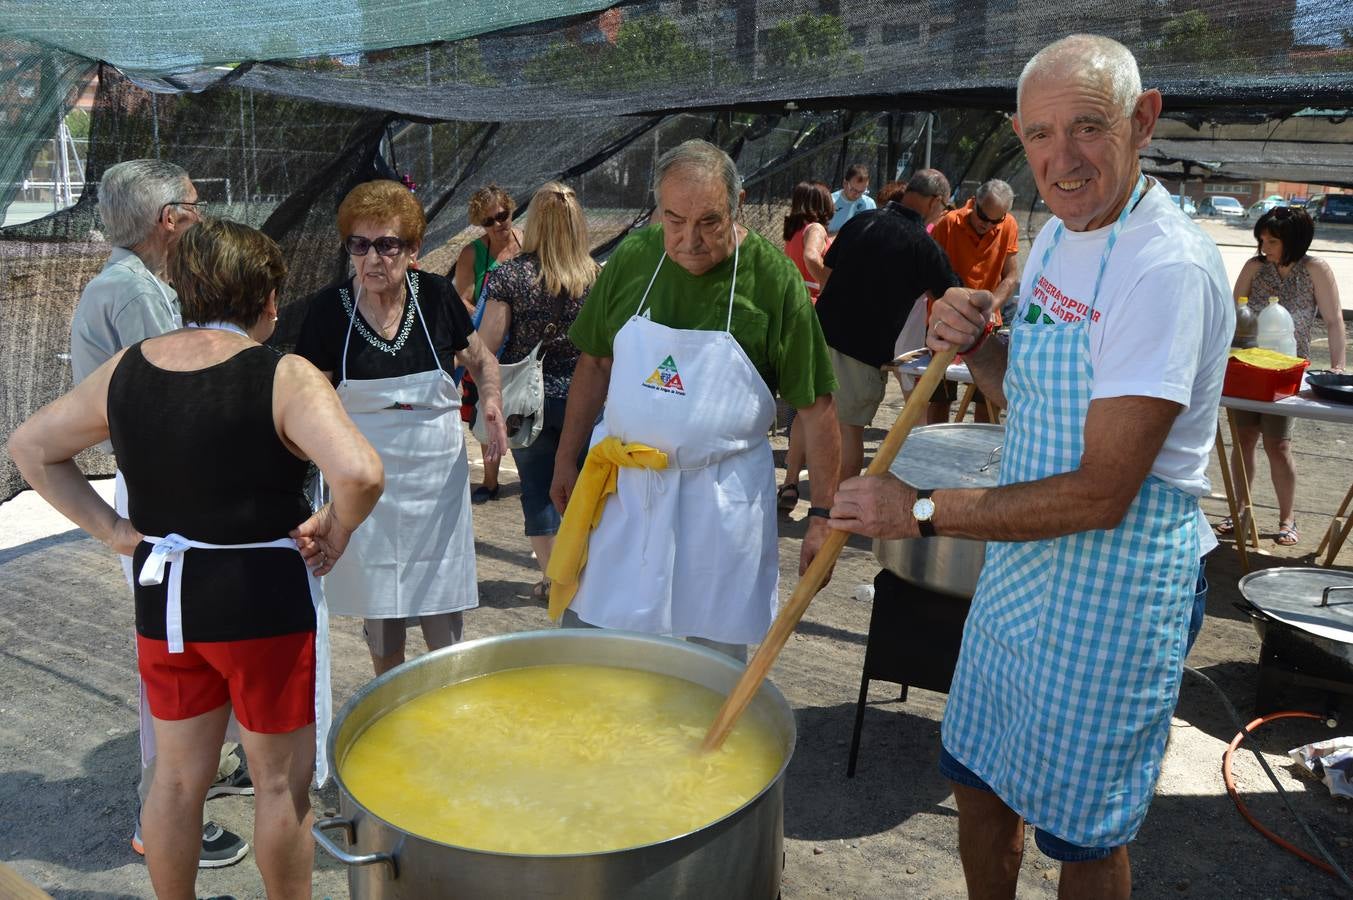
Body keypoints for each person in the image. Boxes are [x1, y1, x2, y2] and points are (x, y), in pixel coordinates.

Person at [829, 35, 1231, 898]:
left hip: (1115, 584)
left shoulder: (1163, 267)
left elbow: (1100, 491)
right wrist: (980, 345)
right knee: (978, 782)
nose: (1062, 159)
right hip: (1022, 566)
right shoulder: (1051, 238)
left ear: (1143, 120)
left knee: (1081, 833)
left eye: (1088, 128)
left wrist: (923, 511)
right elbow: (1034, 391)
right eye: (1041, 135)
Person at [14, 217, 384, 900]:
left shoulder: (128, 368)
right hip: (261, 600)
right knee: (278, 782)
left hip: (167, 598)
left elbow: (31, 447)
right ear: (270, 300)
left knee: (178, 777)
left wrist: (117, 533)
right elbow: (359, 474)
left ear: (181, 292)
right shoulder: (283, 374)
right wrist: (335, 526)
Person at [547, 139, 841, 662]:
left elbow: (817, 409)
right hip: (626, 489)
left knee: (714, 659)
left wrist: (822, 515)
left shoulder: (772, 280)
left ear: (739, 204)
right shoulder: (634, 257)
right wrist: (567, 457)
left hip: (722, 500)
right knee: (604, 647)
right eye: (674, 220)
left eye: (709, 222)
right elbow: (594, 363)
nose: (688, 241)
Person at [67, 158, 252, 869]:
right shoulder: (137, 292)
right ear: (169, 220)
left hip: (162, 487)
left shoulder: (134, 283)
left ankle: (201, 773)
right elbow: (185, 395)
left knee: (189, 647)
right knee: (176, 654)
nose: (202, 218)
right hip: (163, 494)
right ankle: (164, 811)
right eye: (195, 207)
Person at [296, 179, 508, 676]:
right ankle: (390, 706)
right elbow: (304, 398)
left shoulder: (435, 296)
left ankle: (445, 709)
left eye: (387, 245)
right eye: (360, 245)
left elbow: (482, 360)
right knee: (383, 616)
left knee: (442, 614)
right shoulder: (328, 313)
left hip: (437, 486)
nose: (373, 258)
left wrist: (492, 401)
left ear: (413, 249)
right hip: (366, 488)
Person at [478, 182, 597, 603]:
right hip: (586, 398)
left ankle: (552, 578)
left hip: (528, 402)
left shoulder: (511, 275)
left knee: (537, 487)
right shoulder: (596, 276)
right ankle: (583, 574)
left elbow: (487, 343)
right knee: (585, 488)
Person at [815, 168, 959, 481]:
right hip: (861, 351)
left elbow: (826, 271)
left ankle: (821, 507)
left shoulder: (860, 221)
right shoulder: (924, 246)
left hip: (818, 336)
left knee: (818, 424)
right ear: (936, 201)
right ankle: (838, 513)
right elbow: (951, 297)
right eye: (945, 206)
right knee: (848, 433)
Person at [1224, 205, 1346, 545]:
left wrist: (1337, 367)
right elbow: (1233, 314)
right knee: (1244, 439)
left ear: (1294, 240)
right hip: (1248, 368)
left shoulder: (1315, 269)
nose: (1265, 247)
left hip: (1287, 371)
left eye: (1273, 240)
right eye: (1262, 239)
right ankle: (1239, 511)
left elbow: (1335, 321)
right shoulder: (1254, 267)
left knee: (1278, 444)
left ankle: (1287, 518)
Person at [928, 178, 1021, 424]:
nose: (986, 224)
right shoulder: (948, 223)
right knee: (939, 397)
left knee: (989, 399)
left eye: (995, 221)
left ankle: (985, 458)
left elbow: (1011, 276)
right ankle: (938, 452)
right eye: (983, 216)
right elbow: (930, 273)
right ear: (974, 202)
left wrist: (993, 304)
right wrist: (950, 307)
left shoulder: (1009, 225)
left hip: (988, 326)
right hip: (948, 323)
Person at [452, 184, 523, 504]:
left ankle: (533, 474)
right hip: (488, 343)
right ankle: (490, 481)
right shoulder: (473, 253)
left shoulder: (526, 241)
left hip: (523, 341)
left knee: (524, 407)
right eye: (489, 221)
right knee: (487, 411)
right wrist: (489, 313)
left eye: (502, 216)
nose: (498, 225)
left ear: (511, 210)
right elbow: (460, 298)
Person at [778, 179, 834, 510]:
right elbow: (813, 258)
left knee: (801, 407)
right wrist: (832, 285)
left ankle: (789, 482)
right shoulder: (814, 228)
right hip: (814, 313)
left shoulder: (793, 231)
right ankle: (795, 483)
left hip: (794, 312)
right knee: (811, 407)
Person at [828, 163, 876, 235]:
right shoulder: (829, 202)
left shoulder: (870, 204)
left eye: (862, 191)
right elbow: (819, 234)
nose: (857, 195)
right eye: (853, 190)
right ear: (845, 183)